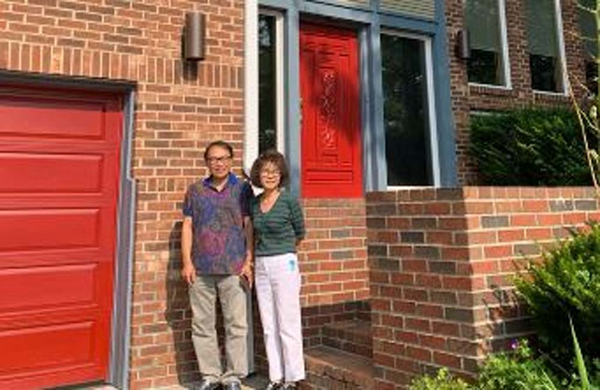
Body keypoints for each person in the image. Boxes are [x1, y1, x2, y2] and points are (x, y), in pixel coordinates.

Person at [181, 140, 254, 390]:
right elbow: (188, 226)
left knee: (236, 324)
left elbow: (248, 225)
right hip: (200, 268)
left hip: (233, 267)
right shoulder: (195, 190)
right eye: (213, 159)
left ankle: (233, 376)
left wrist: (248, 260)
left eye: (223, 158)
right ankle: (210, 376)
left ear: (231, 160)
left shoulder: (243, 189)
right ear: (207, 162)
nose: (218, 163)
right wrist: (187, 262)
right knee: (202, 324)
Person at [249, 151, 306, 390]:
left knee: (288, 322)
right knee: (269, 323)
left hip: (284, 262)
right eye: (265, 171)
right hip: (262, 264)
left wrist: (283, 251)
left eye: (274, 171)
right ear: (258, 175)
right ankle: (276, 377)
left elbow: (300, 232)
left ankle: (293, 378)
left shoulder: (289, 200)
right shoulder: (254, 202)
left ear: (280, 174)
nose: (269, 175)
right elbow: (252, 233)